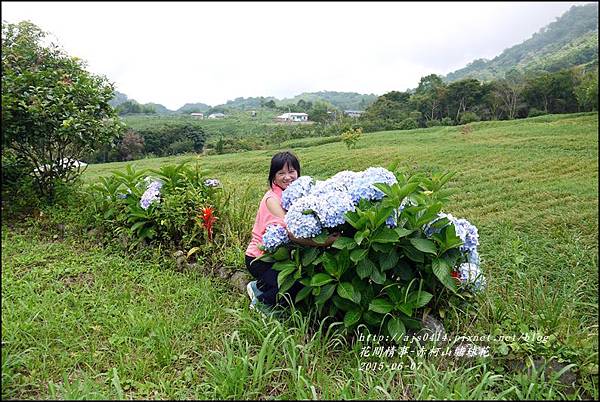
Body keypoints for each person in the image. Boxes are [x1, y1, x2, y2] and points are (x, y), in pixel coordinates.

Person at [245, 151, 338, 313]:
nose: (287, 177)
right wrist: (325, 242)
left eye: (291, 171)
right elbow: (291, 234)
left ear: (298, 173)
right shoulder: (272, 200)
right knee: (297, 282)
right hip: (259, 259)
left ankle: (258, 286)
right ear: (273, 177)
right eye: (281, 173)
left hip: (278, 256)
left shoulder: (295, 193)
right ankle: (262, 304)